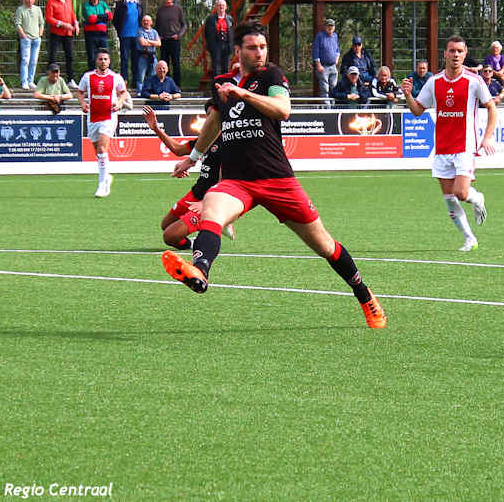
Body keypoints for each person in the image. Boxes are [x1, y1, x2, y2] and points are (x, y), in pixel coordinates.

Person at [164, 21, 387, 329]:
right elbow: (214, 123)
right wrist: (192, 158)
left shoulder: (271, 76)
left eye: (263, 47)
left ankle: (364, 294)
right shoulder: (222, 83)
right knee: (212, 204)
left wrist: (243, 94)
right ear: (238, 51)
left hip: (277, 179)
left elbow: (283, 109)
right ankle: (200, 270)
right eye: (252, 48)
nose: (259, 53)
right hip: (238, 181)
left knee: (324, 245)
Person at [402, 36, 495, 252]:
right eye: (452, 51)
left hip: (465, 147)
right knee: (450, 199)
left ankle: (477, 198)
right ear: (445, 54)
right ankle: (470, 239)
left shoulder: (474, 81)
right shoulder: (434, 82)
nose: (455, 55)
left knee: (461, 193)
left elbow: (491, 107)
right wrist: (407, 95)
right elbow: (417, 110)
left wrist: (487, 137)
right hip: (442, 148)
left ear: (465, 54)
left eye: (459, 51)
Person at [142, 104, 235, 250]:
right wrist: (156, 129)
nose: (209, 118)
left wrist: (206, 202)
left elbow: (226, 178)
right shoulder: (205, 139)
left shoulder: (229, 142)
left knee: (170, 236)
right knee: (166, 225)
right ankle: (195, 243)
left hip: (211, 198)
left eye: (212, 115)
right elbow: (178, 150)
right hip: (196, 192)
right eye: (208, 115)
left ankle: (218, 220)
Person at [76, 49, 129, 198]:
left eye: (105, 59)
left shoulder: (115, 77)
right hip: (93, 117)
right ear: (96, 61)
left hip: (109, 116)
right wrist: (83, 103)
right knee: (99, 153)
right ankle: (106, 177)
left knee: (102, 148)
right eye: (100, 59)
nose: (103, 61)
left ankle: (102, 185)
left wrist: (119, 103)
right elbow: (80, 92)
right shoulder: (88, 77)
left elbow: (123, 92)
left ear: (109, 61)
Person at [46, 0, 79, 86]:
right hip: (56, 33)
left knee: (70, 56)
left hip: (68, 33)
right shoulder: (51, 2)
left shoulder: (69, 0)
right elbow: (49, 18)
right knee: (53, 56)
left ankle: (70, 79)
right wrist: (62, 24)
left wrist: (76, 23)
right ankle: (51, 79)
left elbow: (72, 14)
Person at [113, 0, 143, 90]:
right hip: (124, 36)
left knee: (136, 60)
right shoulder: (121, 3)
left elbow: (142, 18)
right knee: (124, 60)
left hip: (136, 37)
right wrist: (120, 31)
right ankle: (124, 82)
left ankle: (135, 83)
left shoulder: (140, 4)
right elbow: (115, 20)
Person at [155, 0, 187, 85]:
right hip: (163, 41)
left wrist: (179, 35)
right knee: (164, 64)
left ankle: (177, 85)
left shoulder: (178, 9)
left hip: (174, 40)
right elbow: (157, 26)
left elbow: (184, 25)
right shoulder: (160, 10)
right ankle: (165, 84)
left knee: (175, 63)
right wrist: (158, 36)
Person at [15, 0, 45, 91]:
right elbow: (18, 24)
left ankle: (30, 81)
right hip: (26, 39)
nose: (29, 0)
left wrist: (40, 34)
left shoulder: (38, 9)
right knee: (25, 60)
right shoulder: (20, 9)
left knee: (34, 61)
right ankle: (24, 82)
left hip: (36, 39)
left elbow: (41, 23)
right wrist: (23, 35)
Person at [81, 0, 113, 70]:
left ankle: (109, 75)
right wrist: (104, 16)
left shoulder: (103, 4)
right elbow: (91, 19)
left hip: (102, 35)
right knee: (92, 57)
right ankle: (92, 74)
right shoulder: (86, 5)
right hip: (90, 35)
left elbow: (110, 16)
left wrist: (97, 17)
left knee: (106, 55)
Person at [204, 0, 234, 78]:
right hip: (216, 45)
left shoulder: (230, 19)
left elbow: (232, 32)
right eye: (219, 5)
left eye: (223, 5)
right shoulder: (210, 19)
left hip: (226, 45)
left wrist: (232, 45)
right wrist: (210, 45)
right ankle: (216, 84)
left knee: (226, 67)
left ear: (226, 7)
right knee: (216, 67)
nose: (221, 7)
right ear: (216, 7)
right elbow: (206, 33)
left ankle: (225, 84)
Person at [312, 17, 340, 97]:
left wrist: (337, 59)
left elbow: (337, 50)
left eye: (332, 26)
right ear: (325, 26)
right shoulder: (319, 36)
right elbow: (315, 51)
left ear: (334, 27)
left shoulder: (335, 36)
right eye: (328, 26)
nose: (330, 27)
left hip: (333, 66)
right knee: (325, 89)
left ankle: (333, 104)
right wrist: (318, 65)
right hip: (323, 67)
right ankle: (326, 105)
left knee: (334, 87)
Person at [136, 14, 161, 93]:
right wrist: (153, 42)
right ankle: (139, 92)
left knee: (153, 76)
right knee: (141, 76)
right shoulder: (140, 31)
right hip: (143, 56)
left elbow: (159, 43)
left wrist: (148, 41)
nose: (146, 22)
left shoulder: (154, 32)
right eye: (144, 21)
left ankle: (150, 91)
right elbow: (142, 43)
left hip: (152, 57)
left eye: (147, 21)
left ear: (151, 22)